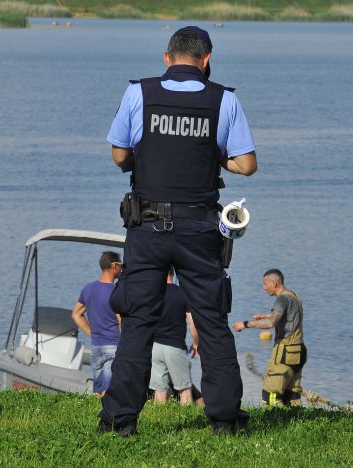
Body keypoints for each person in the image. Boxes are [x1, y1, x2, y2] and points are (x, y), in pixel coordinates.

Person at [99, 26, 257, 437]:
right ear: (207, 60)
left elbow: (119, 155)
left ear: (167, 58)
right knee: (211, 320)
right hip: (201, 229)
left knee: (137, 322)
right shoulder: (225, 99)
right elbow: (246, 164)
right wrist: (213, 155)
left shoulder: (140, 93)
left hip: (147, 226)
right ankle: (224, 419)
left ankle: (119, 422)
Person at [232, 269, 306, 407]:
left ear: (274, 282)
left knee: (270, 392)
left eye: (265, 284)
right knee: (292, 393)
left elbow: (271, 323)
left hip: (285, 351)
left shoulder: (282, 298)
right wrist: (265, 315)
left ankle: (275, 419)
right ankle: (297, 420)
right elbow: (288, 316)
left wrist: (245, 324)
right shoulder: (293, 296)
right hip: (299, 350)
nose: (264, 288)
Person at [71, 251, 123, 398]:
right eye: (120, 265)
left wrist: (91, 332)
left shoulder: (88, 288)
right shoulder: (116, 291)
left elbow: (76, 314)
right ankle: (109, 418)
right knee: (110, 389)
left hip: (96, 346)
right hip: (113, 345)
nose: (121, 269)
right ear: (114, 266)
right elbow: (121, 321)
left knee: (99, 388)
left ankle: (98, 415)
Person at [150, 268, 200, 405]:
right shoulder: (183, 293)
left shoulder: (153, 293)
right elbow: (192, 323)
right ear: (173, 274)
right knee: (184, 388)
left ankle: (158, 422)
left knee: (159, 389)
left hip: (155, 347)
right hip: (175, 346)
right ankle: (187, 421)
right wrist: (196, 343)